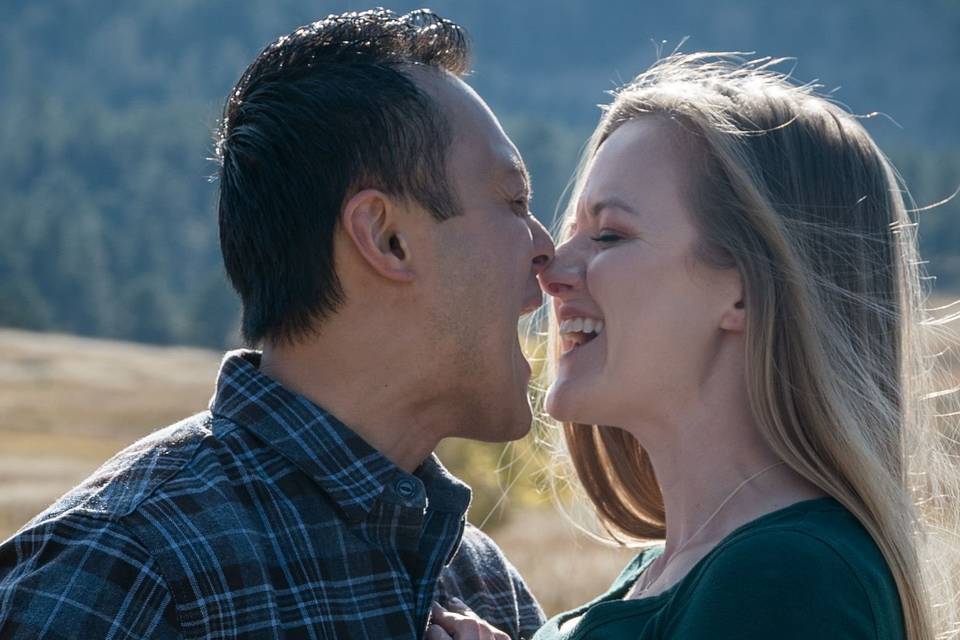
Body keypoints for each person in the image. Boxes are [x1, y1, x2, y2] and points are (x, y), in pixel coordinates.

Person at [0, 9, 555, 639]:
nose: (546, 250)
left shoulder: (484, 584)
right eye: (514, 204)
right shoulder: (120, 571)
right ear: (387, 238)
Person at [428, 54, 960, 640]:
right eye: (573, 231)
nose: (552, 270)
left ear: (747, 288)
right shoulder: (675, 573)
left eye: (609, 235)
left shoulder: (787, 579)